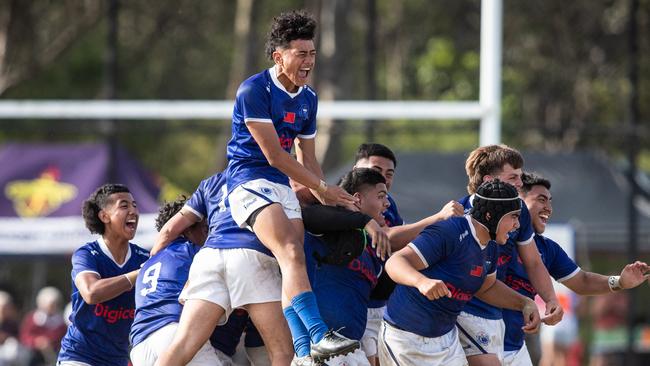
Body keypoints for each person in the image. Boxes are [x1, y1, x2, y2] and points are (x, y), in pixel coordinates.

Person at [223, 9, 360, 362]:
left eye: (312, 54)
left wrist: (330, 199)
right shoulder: (254, 89)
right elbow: (274, 157)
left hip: (282, 186)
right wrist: (323, 190)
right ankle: (318, 334)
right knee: (292, 252)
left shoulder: (309, 99)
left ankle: (303, 351)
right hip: (249, 181)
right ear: (278, 56)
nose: (308, 61)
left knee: (293, 264)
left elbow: (308, 160)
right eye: (301, 53)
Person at [378, 180, 541, 366]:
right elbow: (395, 262)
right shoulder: (451, 231)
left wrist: (524, 303)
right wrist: (421, 282)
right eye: (513, 217)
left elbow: (487, 288)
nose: (517, 225)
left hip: (446, 341)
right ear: (490, 215)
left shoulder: (491, 246)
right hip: (406, 338)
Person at [501, 172, 650, 366]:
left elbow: (583, 281)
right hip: (480, 337)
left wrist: (620, 282)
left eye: (550, 201)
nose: (548, 208)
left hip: (512, 345)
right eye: (541, 199)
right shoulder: (498, 239)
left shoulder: (548, 249)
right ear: (519, 200)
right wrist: (524, 303)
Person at [154, 173, 293, 366]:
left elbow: (169, 230)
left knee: (183, 344)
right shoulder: (273, 175)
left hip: (209, 256)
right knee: (282, 352)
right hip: (250, 255)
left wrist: (152, 261)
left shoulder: (211, 182)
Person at [353, 143, 464, 365]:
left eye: (389, 173)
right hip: (354, 306)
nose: (383, 178)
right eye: (376, 170)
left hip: (379, 304)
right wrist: (438, 218)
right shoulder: (348, 200)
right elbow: (386, 237)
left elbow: (402, 241)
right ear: (356, 169)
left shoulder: (387, 202)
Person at [456, 144, 563, 365]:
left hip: (500, 321)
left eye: (520, 177)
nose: (520, 183)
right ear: (488, 181)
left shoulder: (520, 211)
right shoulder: (458, 219)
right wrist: (524, 303)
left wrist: (550, 299)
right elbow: (480, 284)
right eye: (513, 177)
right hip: (467, 316)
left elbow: (533, 261)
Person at [302, 168, 390, 366]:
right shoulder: (331, 227)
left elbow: (375, 297)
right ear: (357, 198)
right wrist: (364, 220)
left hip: (352, 350)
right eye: (381, 196)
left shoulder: (368, 245)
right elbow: (308, 216)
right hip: (320, 348)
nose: (387, 203)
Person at [130, 196, 232, 366]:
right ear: (184, 228)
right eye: (202, 223)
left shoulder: (147, 263)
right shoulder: (193, 250)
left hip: (139, 346)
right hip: (174, 334)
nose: (207, 228)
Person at [57, 183, 149, 366]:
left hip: (119, 360)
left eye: (135, 206)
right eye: (124, 206)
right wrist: (137, 275)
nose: (133, 211)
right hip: (79, 357)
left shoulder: (144, 258)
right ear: (104, 216)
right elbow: (91, 293)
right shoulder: (86, 254)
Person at [19, 286, 67, 366]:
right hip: (33, 352)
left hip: (53, 353)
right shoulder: (32, 318)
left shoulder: (61, 322)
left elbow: (63, 339)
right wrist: (36, 341)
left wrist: (50, 343)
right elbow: (24, 336)